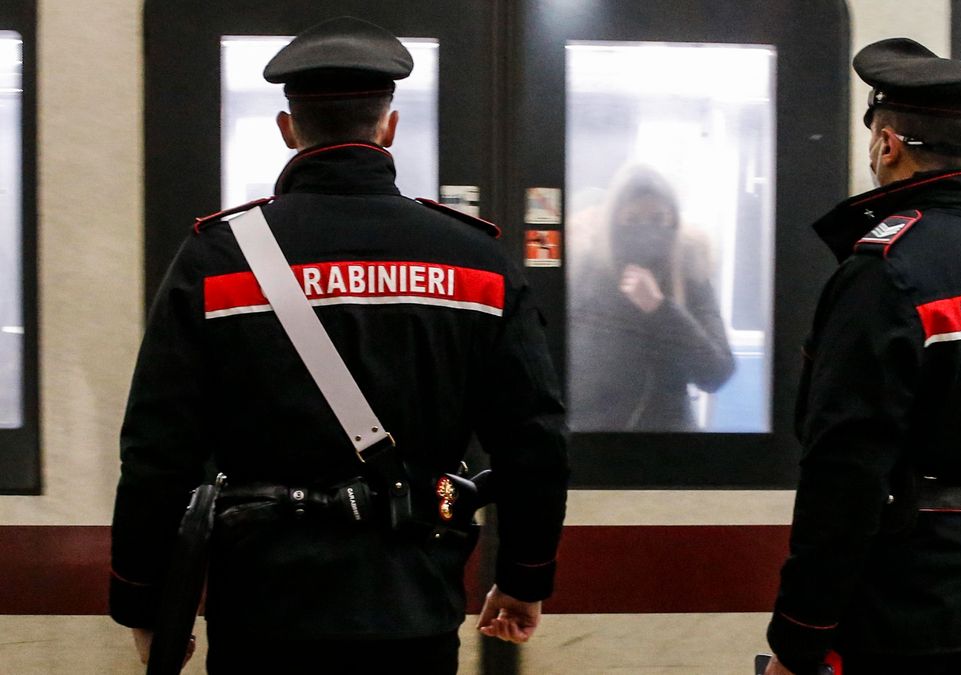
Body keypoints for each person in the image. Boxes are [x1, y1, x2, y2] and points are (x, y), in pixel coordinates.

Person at [109, 16, 568, 673]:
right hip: (412, 613)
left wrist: (146, 602)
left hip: (262, 617)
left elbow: (157, 451)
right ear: (389, 125)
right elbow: (536, 441)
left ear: (288, 129)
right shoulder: (476, 262)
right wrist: (524, 577)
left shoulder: (218, 260)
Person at [764, 38, 961, 675]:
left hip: (882, 603)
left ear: (888, 145)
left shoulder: (883, 271)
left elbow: (844, 468)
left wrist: (800, 634)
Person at [568, 164, 734, 431]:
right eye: (632, 220)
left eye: (658, 219)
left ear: (673, 220)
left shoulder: (688, 270)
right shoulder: (587, 271)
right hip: (595, 437)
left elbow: (716, 372)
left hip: (669, 438)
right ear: (613, 221)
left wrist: (660, 309)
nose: (645, 232)